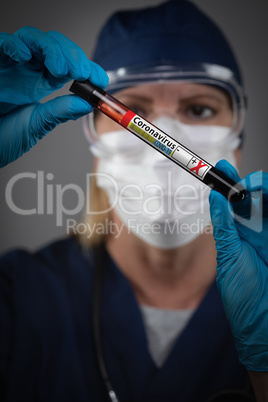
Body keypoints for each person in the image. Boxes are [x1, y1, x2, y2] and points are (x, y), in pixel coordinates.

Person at [0, 1, 267, 401]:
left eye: (198, 109)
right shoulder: (18, 297)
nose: (162, 140)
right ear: (96, 140)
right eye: (134, 110)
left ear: (237, 141)